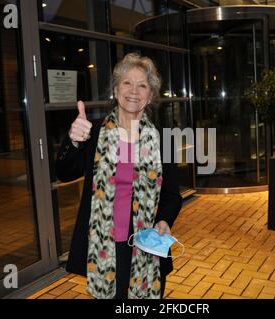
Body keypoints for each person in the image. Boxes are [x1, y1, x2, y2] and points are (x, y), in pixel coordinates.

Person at [56, 53, 182, 299]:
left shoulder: (162, 141)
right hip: (105, 247)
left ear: (150, 96)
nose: (134, 90)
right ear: (115, 89)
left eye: (142, 85)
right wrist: (72, 141)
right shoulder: (92, 134)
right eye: (127, 82)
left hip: (145, 246)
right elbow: (64, 172)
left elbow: (172, 196)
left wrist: (165, 221)